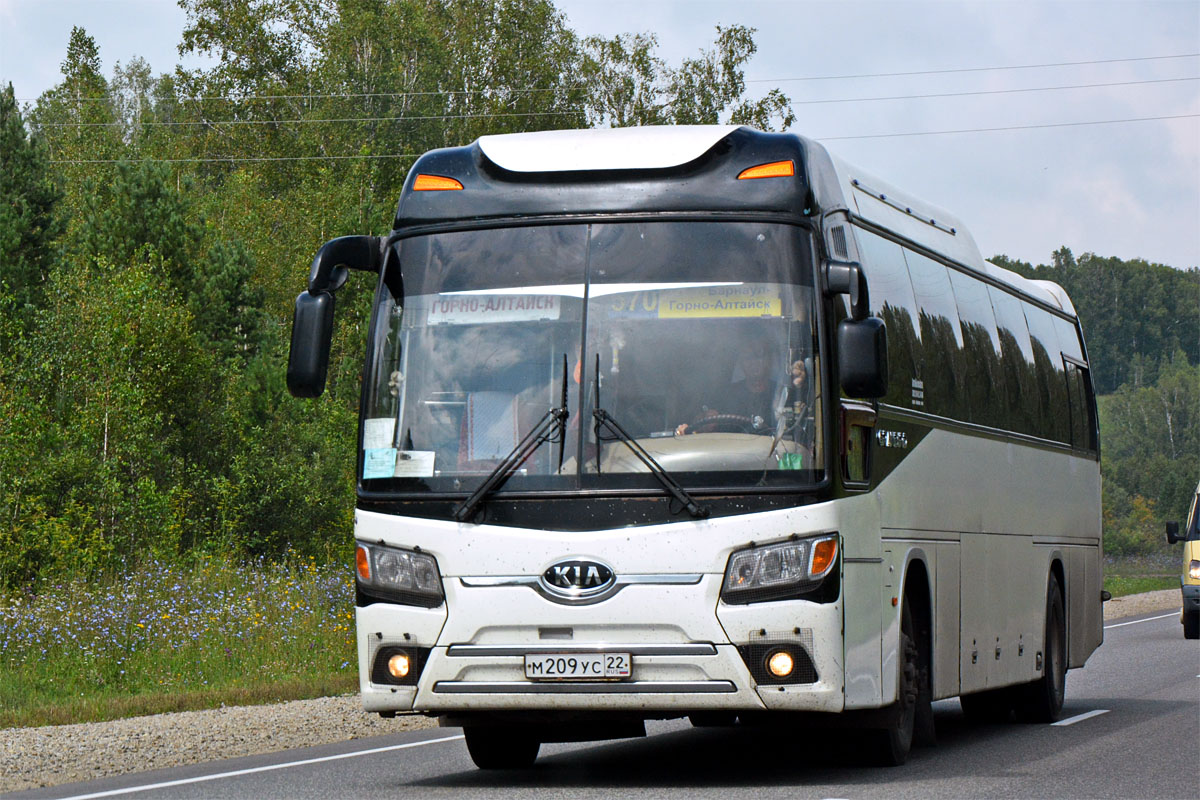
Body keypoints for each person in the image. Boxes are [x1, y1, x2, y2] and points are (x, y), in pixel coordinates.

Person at [675, 337, 782, 436]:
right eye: (748, 358)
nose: (754, 363)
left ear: (769, 360)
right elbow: (703, 423)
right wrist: (698, 425)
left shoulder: (781, 393)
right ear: (741, 362)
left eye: (759, 356)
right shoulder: (725, 395)